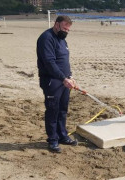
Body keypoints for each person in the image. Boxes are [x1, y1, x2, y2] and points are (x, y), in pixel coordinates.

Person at [36, 15, 77, 153]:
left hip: (64, 81)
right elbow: (49, 63)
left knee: (62, 109)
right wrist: (63, 78)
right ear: (56, 24)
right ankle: (53, 140)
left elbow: (64, 60)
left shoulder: (62, 39)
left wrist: (69, 76)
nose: (66, 31)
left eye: (68, 29)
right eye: (64, 28)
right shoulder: (46, 38)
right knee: (53, 110)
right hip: (51, 81)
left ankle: (62, 136)